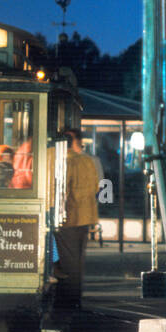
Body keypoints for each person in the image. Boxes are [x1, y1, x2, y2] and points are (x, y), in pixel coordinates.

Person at [52, 128, 103, 309]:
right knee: (78, 260)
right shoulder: (88, 161)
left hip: (69, 217)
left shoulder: (66, 161)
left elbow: (62, 190)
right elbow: (96, 187)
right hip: (86, 216)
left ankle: (67, 300)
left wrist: (56, 212)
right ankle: (75, 298)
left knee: (68, 260)